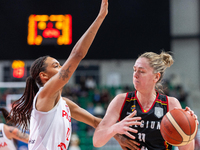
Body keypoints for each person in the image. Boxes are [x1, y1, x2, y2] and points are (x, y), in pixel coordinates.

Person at [8, 0, 139, 149]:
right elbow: (77, 54)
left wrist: (117, 135)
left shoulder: (64, 104)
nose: (63, 67)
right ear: (44, 76)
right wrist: (100, 17)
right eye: (56, 65)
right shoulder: (44, 95)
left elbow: (96, 122)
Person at [93, 51, 199, 150]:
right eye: (134, 70)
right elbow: (97, 141)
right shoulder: (121, 101)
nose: (135, 75)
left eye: (141, 71)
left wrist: (189, 129)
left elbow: (186, 149)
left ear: (156, 77)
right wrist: (115, 128)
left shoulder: (170, 104)